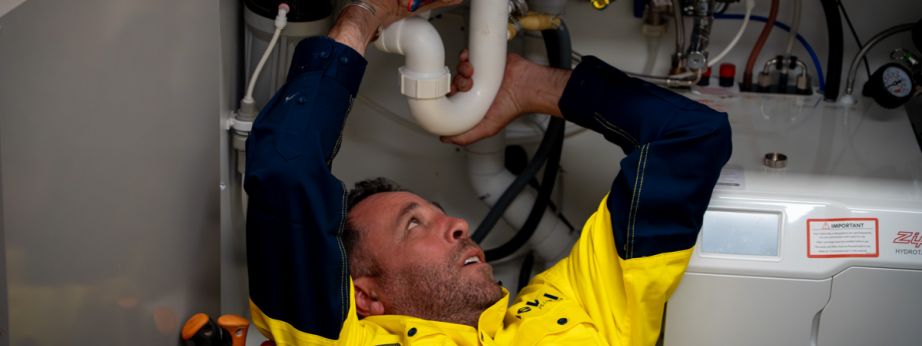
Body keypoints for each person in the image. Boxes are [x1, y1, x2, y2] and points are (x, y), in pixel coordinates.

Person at [244, 0, 732, 345]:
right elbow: (288, 174)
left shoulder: (577, 302)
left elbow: (689, 138)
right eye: (414, 225)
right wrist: (362, 17)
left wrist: (534, 88)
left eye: (437, 216)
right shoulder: (341, 337)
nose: (458, 226)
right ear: (366, 295)